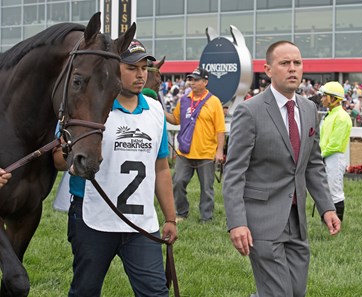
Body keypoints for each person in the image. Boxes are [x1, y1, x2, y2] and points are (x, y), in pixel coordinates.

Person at [54, 39, 177, 297]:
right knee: (85, 291)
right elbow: (56, 158)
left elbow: (162, 167)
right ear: (112, 68)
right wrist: (70, 161)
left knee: (156, 293)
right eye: (132, 67)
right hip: (91, 219)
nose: (141, 74)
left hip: (140, 224)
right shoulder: (87, 104)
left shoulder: (155, 109)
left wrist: (170, 217)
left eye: (144, 67)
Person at [223, 40, 341, 297]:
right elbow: (234, 173)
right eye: (285, 63)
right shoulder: (249, 111)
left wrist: (327, 207)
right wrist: (237, 223)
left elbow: (313, 164)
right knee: (279, 294)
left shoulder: (309, 109)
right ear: (267, 70)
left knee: (295, 292)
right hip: (261, 221)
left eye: (297, 63)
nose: (292, 69)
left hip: (297, 222)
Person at [165, 67, 225, 222]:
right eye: (191, 79)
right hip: (184, 152)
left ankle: (206, 217)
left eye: (196, 80)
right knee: (178, 182)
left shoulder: (214, 102)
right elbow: (175, 119)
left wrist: (219, 151)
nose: (192, 82)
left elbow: (220, 130)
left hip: (206, 153)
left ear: (205, 82)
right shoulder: (184, 100)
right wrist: (159, 110)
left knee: (207, 188)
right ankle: (181, 212)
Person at [319, 81, 352, 221]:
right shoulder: (329, 115)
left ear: (333, 98)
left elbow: (335, 144)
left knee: (335, 192)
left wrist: (320, 155)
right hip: (325, 155)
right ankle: (326, 222)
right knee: (325, 191)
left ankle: (336, 226)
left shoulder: (342, 117)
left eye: (324, 96)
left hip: (334, 157)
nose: (321, 99)